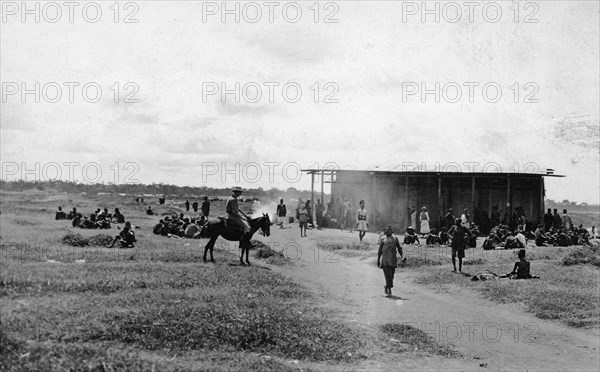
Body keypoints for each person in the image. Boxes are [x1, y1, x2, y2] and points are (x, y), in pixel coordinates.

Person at [377, 225, 405, 298]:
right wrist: (378, 261)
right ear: (385, 232)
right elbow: (380, 251)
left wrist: (402, 256)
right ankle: (389, 292)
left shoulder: (395, 239)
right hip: (385, 261)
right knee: (388, 276)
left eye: (390, 230)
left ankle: (387, 286)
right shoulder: (383, 239)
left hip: (393, 260)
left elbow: (399, 248)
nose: (389, 231)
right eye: (387, 230)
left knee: (391, 277)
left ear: (392, 231)